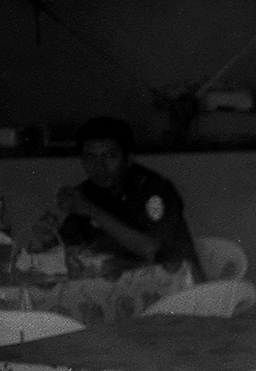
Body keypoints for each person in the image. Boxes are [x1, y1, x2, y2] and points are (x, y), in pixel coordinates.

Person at [53, 116, 205, 279]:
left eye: (110, 156)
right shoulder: (86, 192)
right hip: (125, 289)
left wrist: (91, 210)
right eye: (90, 158)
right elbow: (69, 252)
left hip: (180, 285)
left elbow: (153, 250)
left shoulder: (154, 190)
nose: (100, 167)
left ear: (129, 159)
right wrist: (50, 239)